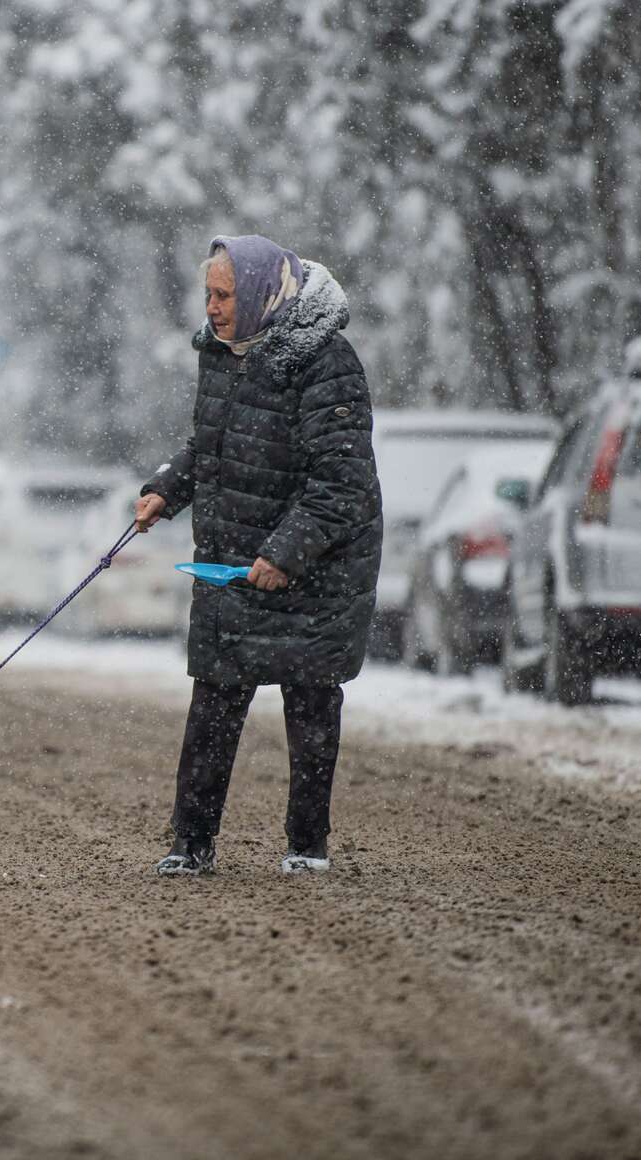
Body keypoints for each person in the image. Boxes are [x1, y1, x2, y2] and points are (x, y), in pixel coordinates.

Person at [134, 235, 383, 876]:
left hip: (319, 568)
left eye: (223, 295)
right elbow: (214, 442)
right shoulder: (223, 353)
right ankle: (190, 845)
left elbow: (341, 484)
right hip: (235, 555)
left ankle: (306, 848)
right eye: (208, 295)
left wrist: (285, 553)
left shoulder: (326, 363)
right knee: (215, 696)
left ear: (259, 294)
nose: (211, 308)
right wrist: (168, 488)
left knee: (310, 703)